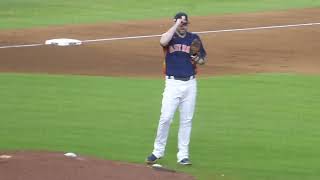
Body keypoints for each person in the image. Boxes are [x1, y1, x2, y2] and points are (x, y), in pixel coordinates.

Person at [146, 12, 207, 165]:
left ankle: (183, 155)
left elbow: (202, 60)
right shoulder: (170, 36)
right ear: (175, 22)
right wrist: (175, 24)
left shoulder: (194, 38)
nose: (182, 25)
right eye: (180, 22)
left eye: (185, 23)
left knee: (186, 120)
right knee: (166, 118)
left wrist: (196, 58)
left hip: (190, 84)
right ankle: (157, 151)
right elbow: (162, 41)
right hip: (172, 84)